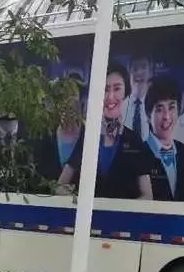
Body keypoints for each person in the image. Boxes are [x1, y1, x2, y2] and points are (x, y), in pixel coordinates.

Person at [57, 61, 154, 200]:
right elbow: (60, 185)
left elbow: (147, 195)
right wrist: (79, 203)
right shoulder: (89, 136)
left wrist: (123, 211)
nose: (110, 96)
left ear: (126, 92)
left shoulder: (134, 140)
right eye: (105, 89)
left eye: (117, 89)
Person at [144, 76, 184, 201]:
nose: (167, 116)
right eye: (159, 109)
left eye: (172, 108)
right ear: (148, 116)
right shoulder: (139, 154)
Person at [34, 74, 84, 184]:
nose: (68, 103)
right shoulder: (48, 134)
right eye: (64, 97)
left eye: (73, 97)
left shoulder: (87, 136)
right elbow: (39, 173)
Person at [123, 56, 152, 140]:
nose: (139, 72)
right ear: (129, 72)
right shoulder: (120, 107)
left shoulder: (157, 107)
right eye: (135, 68)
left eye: (143, 67)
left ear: (150, 72)